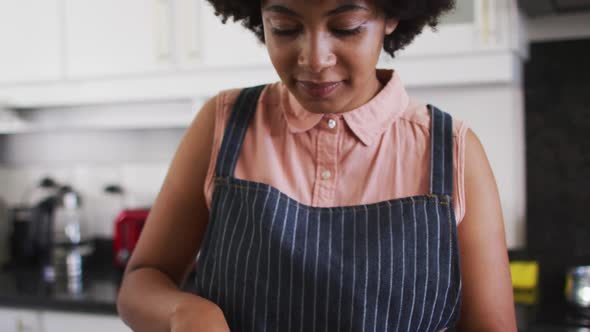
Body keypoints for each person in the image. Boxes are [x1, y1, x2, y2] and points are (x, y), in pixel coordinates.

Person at [117, 0, 517, 331]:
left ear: (391, 16)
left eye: (346, 27)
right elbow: (141, 281)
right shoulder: (223, 124)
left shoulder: (452, 153)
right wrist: (185, 312)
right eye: (285, 28)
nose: (314, 59)